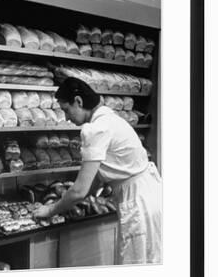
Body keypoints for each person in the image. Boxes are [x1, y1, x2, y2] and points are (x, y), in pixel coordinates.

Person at [34, 77, 162, 265]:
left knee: (138, 269)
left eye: (66, 110)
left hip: (138, 202)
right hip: (149, 194)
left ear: (78, 101)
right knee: (151, 263)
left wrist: (50, 210)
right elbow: (96, 178)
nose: (67, 118)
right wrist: (81, 197)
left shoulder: (96, 129)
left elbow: (79, 190)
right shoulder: (109, 119)